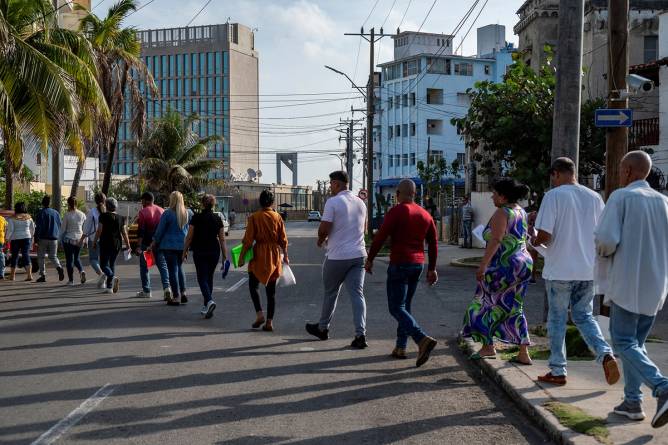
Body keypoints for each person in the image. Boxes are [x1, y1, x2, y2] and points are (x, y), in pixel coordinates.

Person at [594, 151, 668, 428]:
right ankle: (632, 401)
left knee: (623, 343)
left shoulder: (621, 197)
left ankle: (662, 387)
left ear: (626, 171)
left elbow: (606, 239)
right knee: (635, 346)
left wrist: (601, 252)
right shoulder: (664, 202)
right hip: (657, 285)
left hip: (627, 281)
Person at [533, 157, 619, 386]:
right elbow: (603, 234)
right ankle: (605, 353)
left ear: (555, 174)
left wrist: (533, 240)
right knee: (584, 316)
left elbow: (544, 236)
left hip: (560, 270)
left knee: (557, 320)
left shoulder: (553, 196)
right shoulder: (594, 197)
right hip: (587, 271)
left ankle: (558, 370)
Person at [366, 179, 439, 367]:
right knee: (405, 306)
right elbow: (433, 243)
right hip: (418, 265)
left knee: (395, 307)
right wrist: (432, 269)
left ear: (397, 193)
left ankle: (421, 339)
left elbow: (380, 236)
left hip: (400, 263)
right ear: (415, 194)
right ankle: (400, 347)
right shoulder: (425, 214)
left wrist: (370, 259)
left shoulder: (396, 211)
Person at [461, 178, 533, 364]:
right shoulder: (521, 212)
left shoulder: (503, 212)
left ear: (502, 196)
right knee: (515, 306)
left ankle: (487, 347)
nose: (492, 196)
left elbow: (496, 240)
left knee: (483, 305)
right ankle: (523, 353)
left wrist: (483, 265)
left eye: (494, 193)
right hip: (523, 263)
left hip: (504, 265)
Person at [305, 170, 368, 349]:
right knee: (357, 294)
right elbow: (363, 230)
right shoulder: (361, 203)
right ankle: (360, 334)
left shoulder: (333, 202)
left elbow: (324, 228)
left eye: (331, 183)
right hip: (358, 256)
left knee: (331, 292)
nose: (330, 186)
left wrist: (320, 239)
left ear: (338, 184)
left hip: (337, 257)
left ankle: (323, 328)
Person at [239, 190, 288, 332]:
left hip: (258, 254)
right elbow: (283, 240)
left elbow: (248, 241)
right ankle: (269, 322)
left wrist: (242, 257)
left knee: (253, 285)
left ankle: (259, 314)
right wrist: (286, 254)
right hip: (273, 255)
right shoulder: (277, 217)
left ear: (260, 202)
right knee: (271, 291)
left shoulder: (254, 217)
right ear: (272, 202)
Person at [183, 194, 228, 319]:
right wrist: (225, 256)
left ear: (202, 204)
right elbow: (222, 239)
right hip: (214, 251)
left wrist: (184, 252)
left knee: (202, 278)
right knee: (209, 278)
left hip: (200, 251)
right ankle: (207, 306)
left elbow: (189, 237)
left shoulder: (196, 218)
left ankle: (209, 301)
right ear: (213, 205)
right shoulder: (217, 219)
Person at [151, 191, 190, 305]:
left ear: (172, 200)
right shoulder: (187, 213)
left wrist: (154, 242)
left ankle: (176, 296)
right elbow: (189, 231)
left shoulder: (167, 214)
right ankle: (183, 293)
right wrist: (187, 247)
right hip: (182, 245)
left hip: (169, 246)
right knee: (180, 268)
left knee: (172, 270)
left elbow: (160, 231)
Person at [94, 198, 130, 294]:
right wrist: (128, 245)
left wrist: (94, 241)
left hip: (105, 243)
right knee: (112, 264)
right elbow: (124, 233)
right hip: (117, 244)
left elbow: (99, 230)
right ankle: (109, 287)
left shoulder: (103, 216)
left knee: (103, 265)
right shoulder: (121, 218)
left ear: (107, 206)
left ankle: (112, 277)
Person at [134, 192, 165, 299]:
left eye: (142, 200)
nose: (141, 202)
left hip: (146, 245)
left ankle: (147, 291)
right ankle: (167, 289)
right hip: (160, 243)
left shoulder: (143, 212)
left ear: (146, 200)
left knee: (144, 267)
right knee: (162, 267)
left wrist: (138, 246)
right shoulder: (162, 210)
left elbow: (141, 231)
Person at [34, 195, 64, 282]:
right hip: (54, 238)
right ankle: (59, 267)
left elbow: (38, 227)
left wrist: (36, 239)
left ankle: (43, 275)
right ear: (50, 203)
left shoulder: (41, 213)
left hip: (43, 238)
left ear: (42, 203)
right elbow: (60, 225)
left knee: (41, 257)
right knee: (53, 256)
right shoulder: (56, 213)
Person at [60, 197, 87, 286]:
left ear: (68, 204)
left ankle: (71, 281)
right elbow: (85, 228)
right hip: (80, 239)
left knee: (69, 260)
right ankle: (81, 271)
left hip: (69, 239)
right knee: (76, 258)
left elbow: (63, 229)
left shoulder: (67, 215)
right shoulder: (82, 214)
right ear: (77, 203)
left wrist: (60, 239)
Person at [6, 202, 35, 281]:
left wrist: (7, 238)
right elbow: (32, 229)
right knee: (26, 255)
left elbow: (10, 230)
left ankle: (12, 276)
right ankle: (29, 275)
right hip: (26, 238)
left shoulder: (12, 218)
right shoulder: (29, 218)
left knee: (15, 256)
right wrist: (31, 237)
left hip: (15, 238)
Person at [81, 193, 105, 282]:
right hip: (106, 239)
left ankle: (101, 274)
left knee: (93, 259)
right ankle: (110, 277)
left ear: (95, 201)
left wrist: (82, 239)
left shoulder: (92, 212)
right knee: (104, 260)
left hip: (94, 238)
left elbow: (86, 228)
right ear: (104, 200)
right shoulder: (108, 211)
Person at [0, 212, 6, 280]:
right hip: (1, 239)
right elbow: (5, 229)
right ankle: (1, 273)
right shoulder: (2, 219)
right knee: (1, 256)